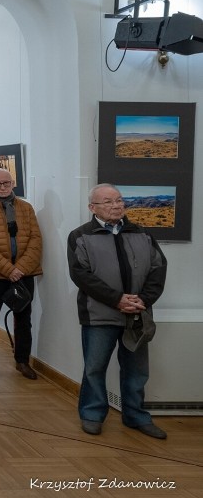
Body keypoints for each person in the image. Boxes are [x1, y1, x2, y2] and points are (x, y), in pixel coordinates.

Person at [67, 184, 168, 439]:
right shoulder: (80, 236)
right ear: (93, 208)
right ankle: (92, 414)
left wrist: (142, 300)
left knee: (137, 370)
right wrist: (117, 300)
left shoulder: (142, 233)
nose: (116, 205)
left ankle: (135, 416)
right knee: (94, 368)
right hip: (99, 316)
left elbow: (158, 268)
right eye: (108, 202)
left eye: (119, 200)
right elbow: (82, 275)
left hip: (137, 315)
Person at [0, 169, 43, 380]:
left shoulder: (26, 208)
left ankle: (22, 361)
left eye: (6, 183)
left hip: (24, 273)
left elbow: (35, 241)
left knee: (24, 319)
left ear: (13, 183)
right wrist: (8, 270)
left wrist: (20, 268)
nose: (2, 187)